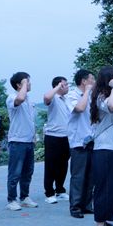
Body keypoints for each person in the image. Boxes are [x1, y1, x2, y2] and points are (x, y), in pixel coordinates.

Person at [89, 66, 113, 226]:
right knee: (104, 188)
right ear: (110, 78)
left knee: (112, 188)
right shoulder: (101, 96)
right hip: (105, 149)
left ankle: (107, 222)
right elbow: (112, 106)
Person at [6, 72, 38, 211]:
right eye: (26, 81)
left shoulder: (29, 99)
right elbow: (19, 99)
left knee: (27, 172)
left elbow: (30, 120)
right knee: (15, 172)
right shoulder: (12, 97)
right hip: (17, 141)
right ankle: (11, 199)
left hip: (28, 141)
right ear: (19, 84)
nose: (29, 84)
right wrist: (24, 84)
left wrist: (33, 137)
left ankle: (24, 197)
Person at [66, 69, 95, 219]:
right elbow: (79, 108)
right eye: (92, 79)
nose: (94, 81)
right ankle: (75, 206)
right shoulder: (72, 95)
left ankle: (87, 205)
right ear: (84, 81)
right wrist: (87, 92)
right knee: (78, 176)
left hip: (92, 140)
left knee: (90, 176)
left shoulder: (91, 95)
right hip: (78, 141)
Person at [42, 76, 71, 204]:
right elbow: (46, 98)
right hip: (53, 136)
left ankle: (60, 190)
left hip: (66, 136)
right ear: (59, 85)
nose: (67, 86)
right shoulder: (53, 98)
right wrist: (58, 87)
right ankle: (49, 192)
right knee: (51, 166)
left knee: (63, 165)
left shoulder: (67, 99)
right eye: (65, 84)